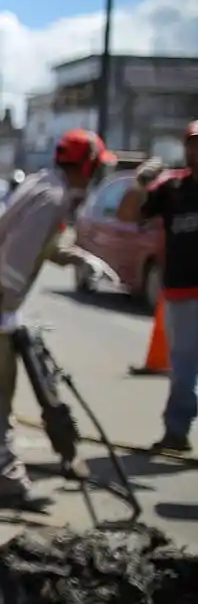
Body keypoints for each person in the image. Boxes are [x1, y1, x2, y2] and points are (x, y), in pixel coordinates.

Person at [0, 128, 118, 510]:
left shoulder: (46, 187)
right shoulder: (52, 196)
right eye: (96, 167)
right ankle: (5, 479)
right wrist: (8, 308)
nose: (98, 175)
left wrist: (80, 258)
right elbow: (17, 257)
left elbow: (43, 243)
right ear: (84, 167)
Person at [116, 120, 198, 454]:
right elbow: (127, 215)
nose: (196, 150)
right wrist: (139, 183)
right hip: (181, 291)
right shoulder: (173, 189)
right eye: (192, 144)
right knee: (183, 367)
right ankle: (176, 432)